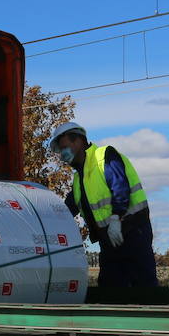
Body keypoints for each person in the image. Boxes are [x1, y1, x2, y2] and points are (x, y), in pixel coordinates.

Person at [50, 121, 158, 288]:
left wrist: (116, 218)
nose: (63, 155)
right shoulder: (79, 178)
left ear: (78, 141)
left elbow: (120, 187)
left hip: (133, 232)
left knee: (143, 284)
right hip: (109, 241)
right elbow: (68, 208)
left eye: (65, 148)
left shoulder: (104, 156)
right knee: (110, 287)